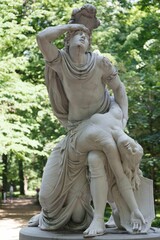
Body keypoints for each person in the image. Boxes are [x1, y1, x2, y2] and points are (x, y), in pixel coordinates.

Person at [29, 4, 130, 237]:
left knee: (97, 162)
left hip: (101, 126)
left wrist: (121, 121)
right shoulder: (61, 62)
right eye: (78, 33)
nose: (83, 36)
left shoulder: (99, 62)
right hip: (75, 133)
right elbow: (42, 38)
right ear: (68, 37)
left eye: (86, 34)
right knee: (47, 198)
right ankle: (48, 213)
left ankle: (101, 218)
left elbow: (119, 89)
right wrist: (71, 25)